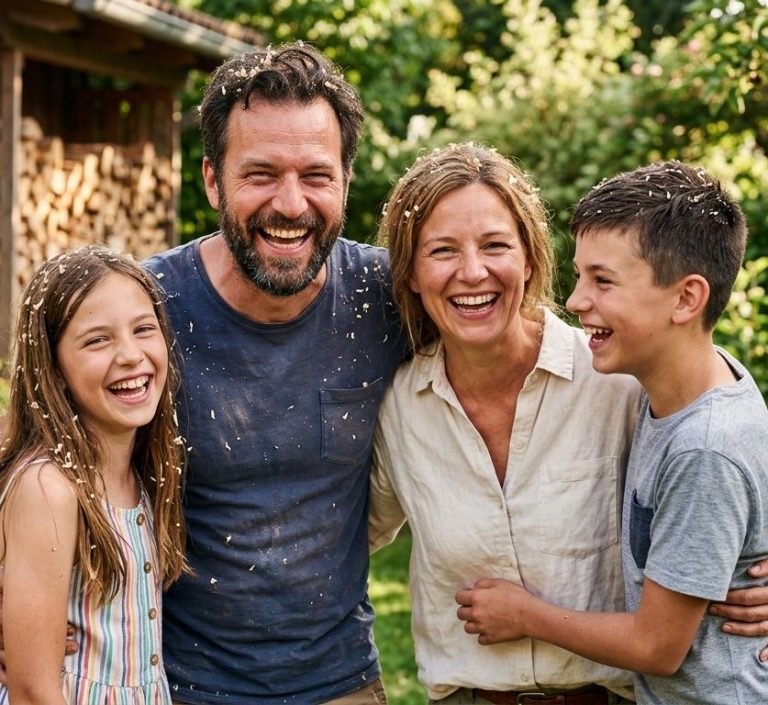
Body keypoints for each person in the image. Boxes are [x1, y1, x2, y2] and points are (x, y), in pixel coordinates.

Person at [141, 43, 403, 704]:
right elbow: (35, 446)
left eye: (315, 175)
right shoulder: (145, 308)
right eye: (260, 173)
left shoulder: (387, 295)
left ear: (345, 179)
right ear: (211, 179)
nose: (290, 203)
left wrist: (709, 403)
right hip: (178, 685)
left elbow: (538, 359)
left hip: (343, 681)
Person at [454, 160, 768, 704]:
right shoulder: (692, 382)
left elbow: (656, 646)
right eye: (580, 276)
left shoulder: (704, 447)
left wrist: (525, 614)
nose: (576, 301)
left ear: (686, 299)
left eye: (603, 280)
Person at [368, 142, 641, 705]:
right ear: (412, 274)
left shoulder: (615, 381)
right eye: (442, 250)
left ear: (530, 258)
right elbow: (346, 538)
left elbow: (714, 476)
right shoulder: (399, 406)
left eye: (495, 245)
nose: (473, 272)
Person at [0, 245, 187, 704]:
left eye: (144, 329)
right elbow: (31, 689)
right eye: (97, 340)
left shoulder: (142, 475)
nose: (129, 355)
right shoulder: (50, 488)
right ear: (54, 367)